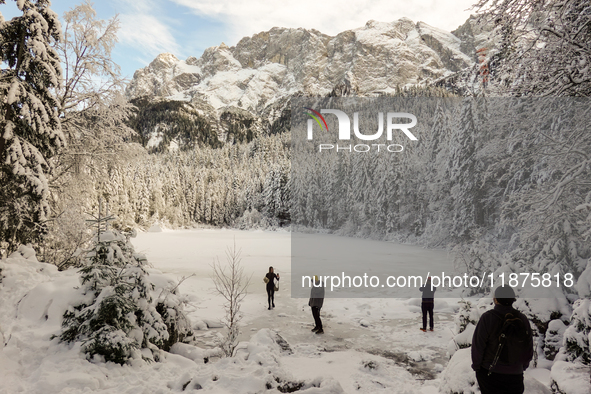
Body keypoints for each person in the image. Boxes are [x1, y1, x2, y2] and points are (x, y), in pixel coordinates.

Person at [471, 285, 534, 394]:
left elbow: (478, 346)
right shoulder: (522, 318)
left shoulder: (488, 318)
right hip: (516, 375)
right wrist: (521, 367)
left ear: (495, 299)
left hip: (490, 374)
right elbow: (528, 346)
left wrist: (477, 367)